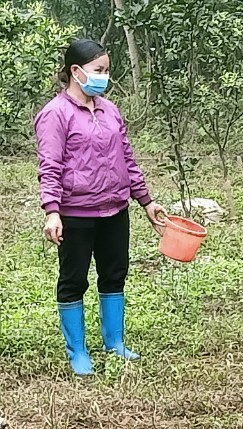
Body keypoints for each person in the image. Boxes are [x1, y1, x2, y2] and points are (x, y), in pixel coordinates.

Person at [35, 39, 167, 376]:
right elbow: (49, 166)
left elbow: (128, 159)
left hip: (115, 209)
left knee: (114, 274)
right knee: (73, 280)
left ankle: (114, 342)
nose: (104, 77)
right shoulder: (55, 114)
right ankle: (78, 351)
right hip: (76, 213)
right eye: (99, 71)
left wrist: (146, 202)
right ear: (76, 72)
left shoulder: (110, 110)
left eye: (107, 71)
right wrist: (52, 210)